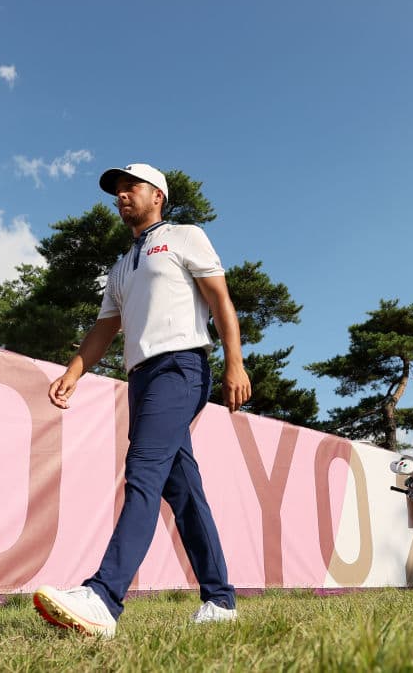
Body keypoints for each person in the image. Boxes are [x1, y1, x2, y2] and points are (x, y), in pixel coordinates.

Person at [32, 163, 251, 638]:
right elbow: (105, 328)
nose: (121, 196)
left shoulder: (185, 236)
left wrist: (235, 362)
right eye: (117, 191)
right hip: (143, 378)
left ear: (158, 195)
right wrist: (73, 371)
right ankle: (220, 600)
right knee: (183, 491)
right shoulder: (119, 266)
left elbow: (220, 300)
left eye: (131, 187)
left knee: (143, 472)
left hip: (181, 367)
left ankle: (103, 597)